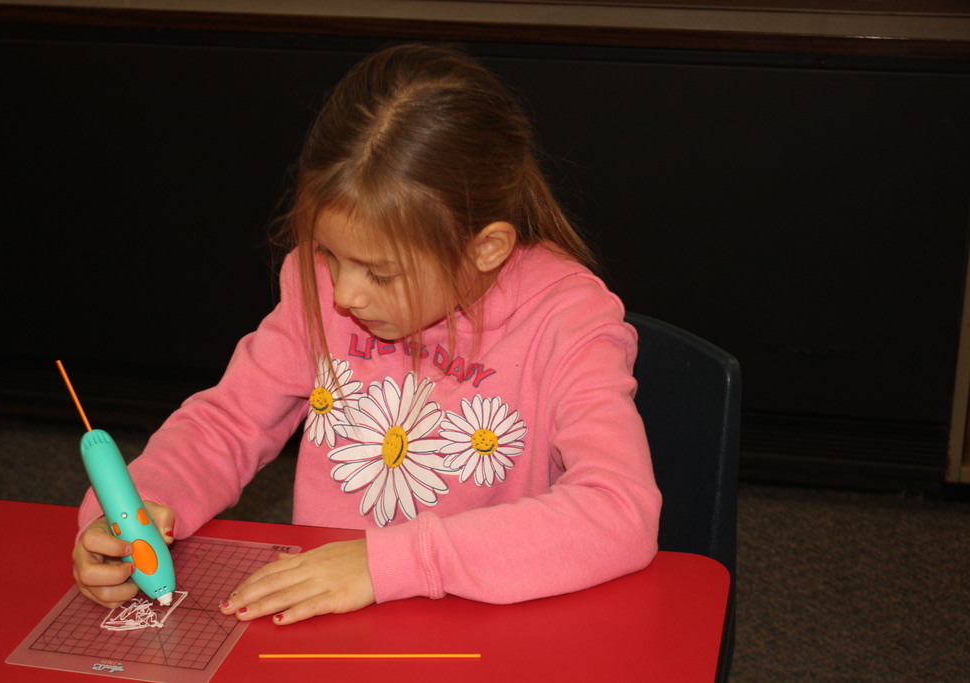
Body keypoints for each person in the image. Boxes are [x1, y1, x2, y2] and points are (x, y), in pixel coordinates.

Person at [72, 43, 661, 626]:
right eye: (330, 253)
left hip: (487, 623)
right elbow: (228, 423)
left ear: (485, 248)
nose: (346, 294)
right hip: (329, 619)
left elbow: (619, 513)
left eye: (381, 273)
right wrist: (130, 512)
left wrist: (390, 564)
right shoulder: (323, 286)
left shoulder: (567, 321)